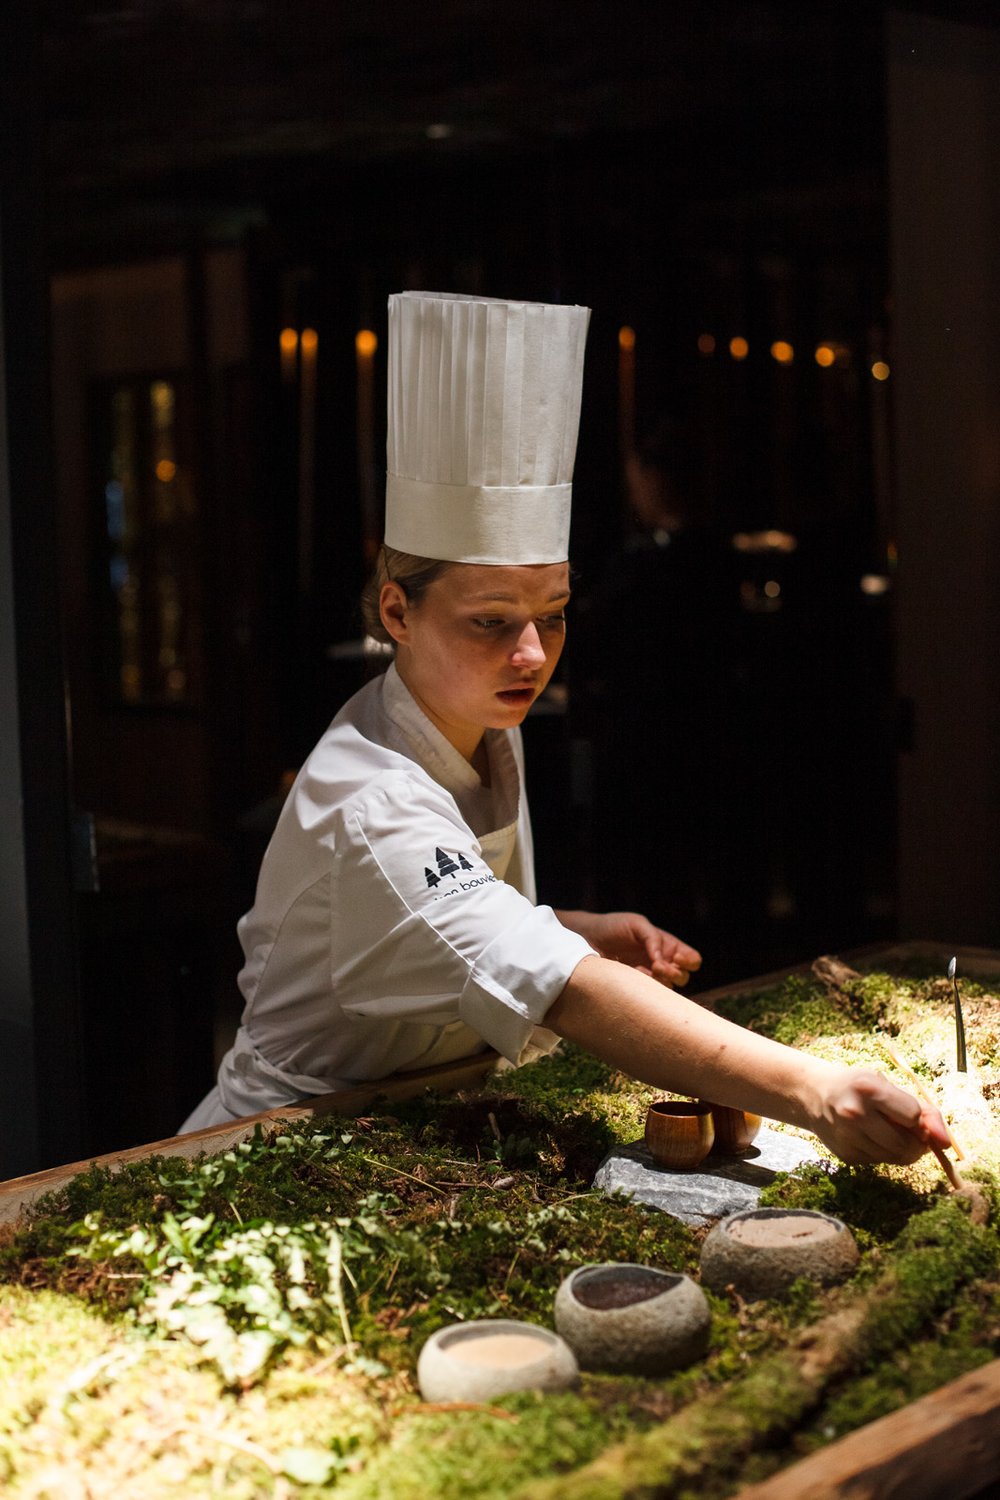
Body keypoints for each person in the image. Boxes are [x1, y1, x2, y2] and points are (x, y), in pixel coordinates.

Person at [179, 291, 947, 1171]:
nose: (532, 654)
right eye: (491, 622)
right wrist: (814, 1091)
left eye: (553, 613)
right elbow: (563, 992)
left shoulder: (474, 721)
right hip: (282, 1146)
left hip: (421, 1121)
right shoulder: (373, 799)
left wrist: (568, 925)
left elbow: (454, 929)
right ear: (397, 611)